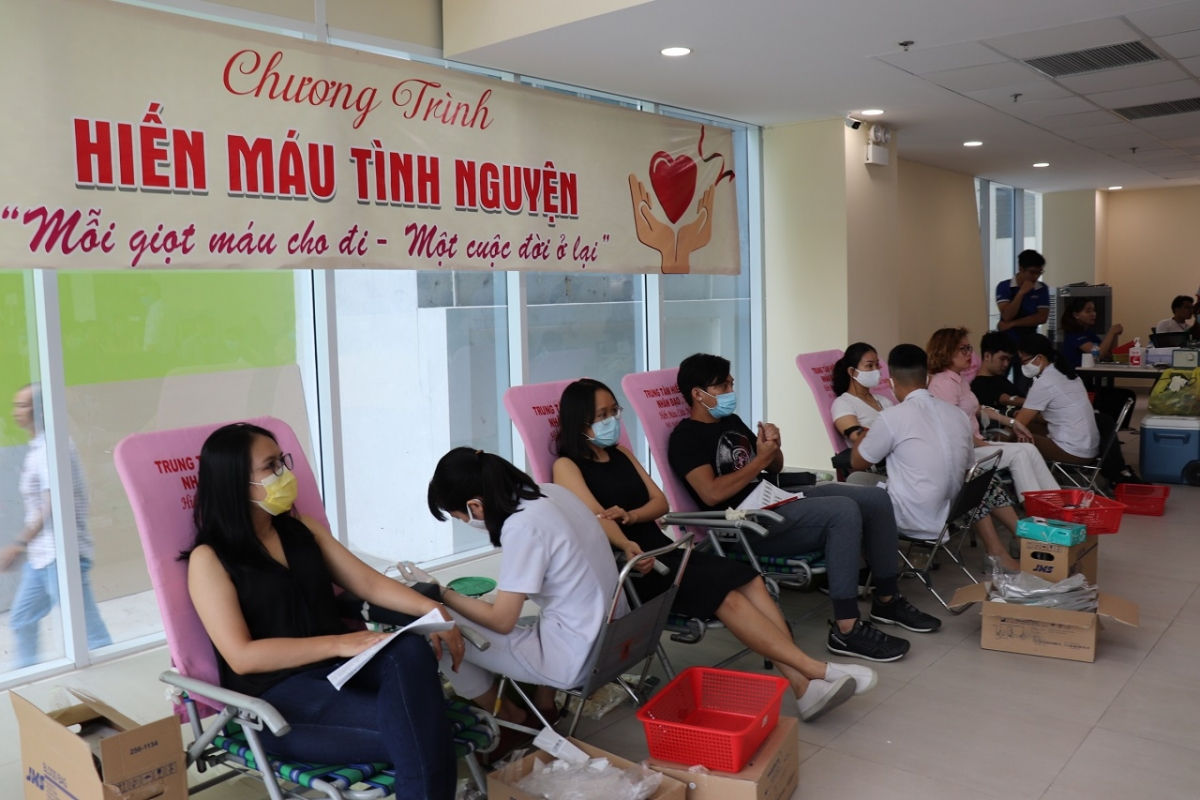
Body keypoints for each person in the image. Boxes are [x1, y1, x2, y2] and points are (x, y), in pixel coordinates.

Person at [553, 378, 873, 721]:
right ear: (580, 422)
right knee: (727, 596)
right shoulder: (566, 466)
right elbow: (596, 517)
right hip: (638, 568)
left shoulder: (622, 454)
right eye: (602, 415)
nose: (611, 420)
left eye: (613, 411)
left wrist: (631, 515)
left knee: (750, 578)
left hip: (666, 552)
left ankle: (803, 687)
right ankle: (817, 671)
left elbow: (659, 503)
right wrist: (626, 541)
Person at [186, 423, 461, 800]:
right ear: (236, 482)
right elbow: (242, 656)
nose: (285, 473)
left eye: (283, 461)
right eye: (271, 466)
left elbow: (366, 582)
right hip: (278, 701)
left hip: (340, 671)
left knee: (410, 650)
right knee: (423, 730)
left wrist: (432, 609)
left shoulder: (300, 529)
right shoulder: (209, 560)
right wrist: (338, 643)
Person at [667, 353, 940, 664]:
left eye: (731, 383)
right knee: (843, 511)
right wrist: (759, 460)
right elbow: (711, 493)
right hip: (745, 524)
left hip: (772, 498)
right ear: (698, 394)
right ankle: (846, 629)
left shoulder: (731, 422)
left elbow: (774, 466)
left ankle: (887, 600)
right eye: (722, 386)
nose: (731, 391)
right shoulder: (685, 438)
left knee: (875, 499)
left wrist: (773, 447)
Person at [427, 447, 621, 728]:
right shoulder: (553, 494)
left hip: (576, 658)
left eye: (460, 517)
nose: (466, 523)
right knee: (546, 611)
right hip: (617, 637)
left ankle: (511, 719)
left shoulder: (522, 526)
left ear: (475, 506)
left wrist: (442, 593)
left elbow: (502, 621)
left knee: (437, 629)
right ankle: (545, 707)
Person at [852, 346, 1021, 571]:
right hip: (955, 509)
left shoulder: (891, 417)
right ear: (928, 378)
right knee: (972, 477)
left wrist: (863, 435)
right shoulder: (957, 414)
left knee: (855, 480)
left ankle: (871, 568)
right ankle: (1009, 545)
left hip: (915, 517)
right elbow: (968, 468)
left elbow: (858, 462)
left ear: (891, 382)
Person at [3, 384, 111, 668]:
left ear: (40, 410)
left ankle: (113, 674)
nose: (16, 412)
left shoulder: (52, 448)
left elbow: (52, 504)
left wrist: (19, 544)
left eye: (23, 405)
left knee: (90, 632)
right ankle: (27, 676)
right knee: (22, 619)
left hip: (61, 555)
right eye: (16, 405)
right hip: (42, 558)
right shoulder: (38, 447)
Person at [926, 328, 1060, 500]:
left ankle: (1057, 502)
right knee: (1018, 454)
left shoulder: (959, 380)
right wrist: (985, 446)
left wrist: (1013, 423)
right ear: (946, 351)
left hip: (976, 445)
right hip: (963, 452)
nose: (969, 353)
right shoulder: (943, 383)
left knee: (1029, 449)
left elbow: (978, 409)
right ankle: (1036, 509)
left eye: (969, 348)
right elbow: (954, 429)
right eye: (963, 349)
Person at [1014, 334, 1103, 467]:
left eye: (1023, 361)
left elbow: (1018, 424)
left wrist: (1001, 418)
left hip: (1074, 451)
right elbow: (1058, 416)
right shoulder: (1066, 373)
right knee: (1029, 427)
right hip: (1088, 447)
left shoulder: (1044, 383)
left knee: (1014, 435)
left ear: (1039, 358)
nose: (1023, 365)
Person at [996, 250, 1050, 392]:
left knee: (1024, 384)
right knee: (1000, 381)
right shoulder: (1004, 286)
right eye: (1032, 272)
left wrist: (1012, 324)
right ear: (1021, 269)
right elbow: (1007, 315)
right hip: (1006, 342)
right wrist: (1021, 293)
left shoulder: (1042, 288)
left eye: (1039, 272)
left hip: (1029, 344)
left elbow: (1041, 317)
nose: (1035, 277)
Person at [830, 343, 894, 448]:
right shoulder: (843, 403)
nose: (876, 370)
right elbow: (856, 436)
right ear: (852, 372)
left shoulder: (885, 401)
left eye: (877, 365)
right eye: (869, 366)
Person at [1060, 297, 1123, 368]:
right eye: (1088, 311)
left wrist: (1115, 334)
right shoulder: (1074, 335)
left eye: (1094, 310)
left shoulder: (1089, 333)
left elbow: (1110, 355)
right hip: (1075, 374)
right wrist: (1111, 332)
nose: (1093, 314)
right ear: (1076, 315)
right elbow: (1099, 354)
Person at [970, 332, 1024, 413]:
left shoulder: (1001, 379)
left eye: (1009, 360)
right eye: (1002, 359)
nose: (1006, 364)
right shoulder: (978, 385)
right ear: (987, 356)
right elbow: (1005, 399)